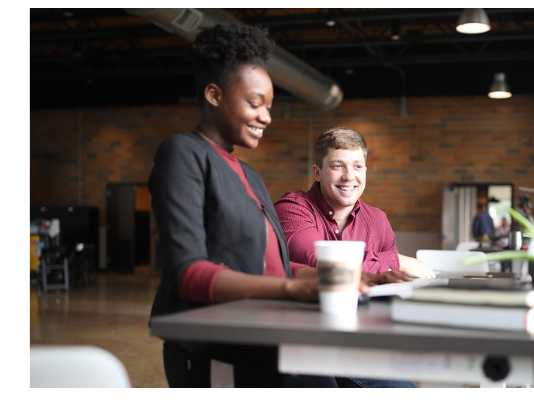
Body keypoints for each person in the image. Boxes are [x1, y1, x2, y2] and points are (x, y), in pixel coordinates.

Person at [148, 23, 412, 388]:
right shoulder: (184, 154)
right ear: (213, 94)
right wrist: (294, 290)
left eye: (269, 106)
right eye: (254, 103)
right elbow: (188, 274)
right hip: (217, 346)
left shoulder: (250, 176)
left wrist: (348, 278)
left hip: (267, 335)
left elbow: (274, 265)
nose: (267, 117)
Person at [274, 127, 435, 279]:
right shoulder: (291, 209)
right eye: (338, 166)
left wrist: (396, 265)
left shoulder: (377, 220)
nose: (349, 176)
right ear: (317, 172)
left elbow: (392, 277)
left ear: (365, 171)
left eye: (357, 166)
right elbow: (323, 266)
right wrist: (396, 261)